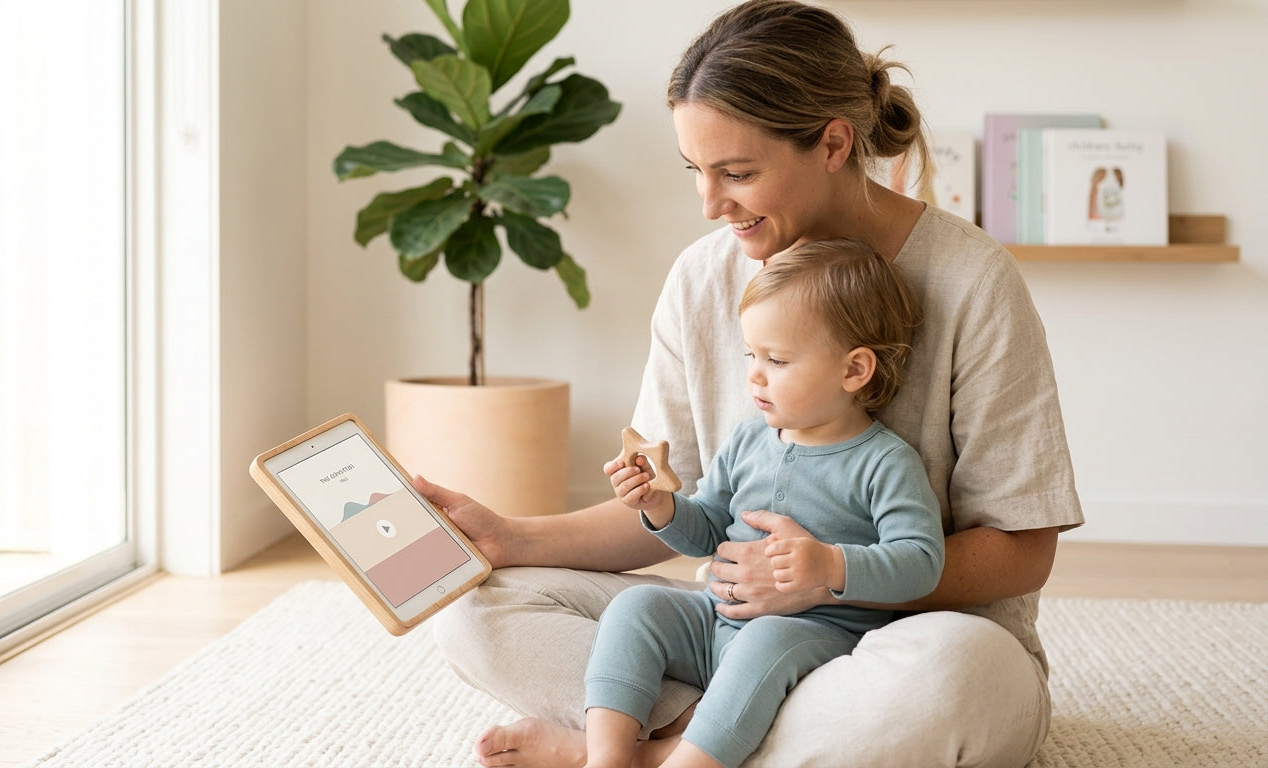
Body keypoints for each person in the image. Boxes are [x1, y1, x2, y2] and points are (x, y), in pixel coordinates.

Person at [412, 1, 1085, 766]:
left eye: (737, 173)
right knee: (474, 613)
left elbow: (1022, 550)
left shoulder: (971, 280)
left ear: (834, 142)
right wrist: (513, 537)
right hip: (736, 636)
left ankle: (647, 751)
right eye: (696, 171)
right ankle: (716, 740)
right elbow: (686, 504)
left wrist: (825, 579)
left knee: (955, 681)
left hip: (907, 643)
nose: (709, 204)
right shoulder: (704, 280)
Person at [585, 239, 945, 768]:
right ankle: (606, 759)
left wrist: (830, 565)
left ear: (854, 371)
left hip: (813, 633)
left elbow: (922, 561)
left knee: (764, 643)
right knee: (636, 608)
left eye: (776, 360)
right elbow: (706, 527)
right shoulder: (749, 439)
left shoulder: (885, 462)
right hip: (716, 616)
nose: (753, 374)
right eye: (751, 355)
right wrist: (661, 507)